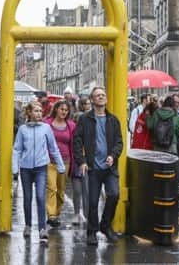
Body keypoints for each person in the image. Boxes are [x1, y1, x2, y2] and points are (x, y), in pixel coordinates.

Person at [73, 86, 123, 245]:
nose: (101, 97)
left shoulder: (113, 120)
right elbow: (77, 140)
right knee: (93, 202)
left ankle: (105, 225)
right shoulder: (85, 119)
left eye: (103, 95)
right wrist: (81, 161)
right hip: (93, 167)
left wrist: (113, 156)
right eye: (97, 95)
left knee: (114, 194)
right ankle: (92, 232)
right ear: (92, 100)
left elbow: (119, 142)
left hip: (109, 168)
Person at [12, 101, 65, 242]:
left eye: (40, 111)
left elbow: (53, 148)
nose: (39, 113)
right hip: (26, 168)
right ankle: (28, 225)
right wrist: (14, 168)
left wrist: (60, 165)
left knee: (41, 197)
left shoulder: (46, 128)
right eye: (36, 111)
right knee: (27, 198)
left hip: (42, 167)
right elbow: (17, 149)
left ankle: (42, 228)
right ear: (29, 113)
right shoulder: (22, 129)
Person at [43, 100, 76, 228]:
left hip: (65, 161)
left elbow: (72, 145)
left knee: (61, 190)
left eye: (66, 110)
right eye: (61, 109)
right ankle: (51, 215)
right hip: (49, 161)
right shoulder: (46, 124)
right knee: (51, 187)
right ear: (56, 109)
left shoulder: (71, 126)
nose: (64, 112)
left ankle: (56, 213)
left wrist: (73, 163)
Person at [71, 97, 91, 226]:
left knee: (86, 189)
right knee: (79, 189)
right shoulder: (74, 129)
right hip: (76, 161)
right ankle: (78, 213)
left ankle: (85, 214)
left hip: (86, 161)